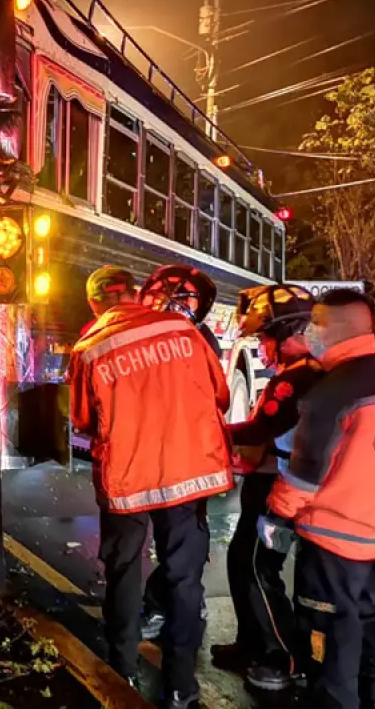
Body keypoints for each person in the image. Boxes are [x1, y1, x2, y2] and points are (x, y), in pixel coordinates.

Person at [70, 265, 233, 709]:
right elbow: (221, 395)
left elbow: (83, 422)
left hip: (127, 481)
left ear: (94, 302)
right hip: (188, 473)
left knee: (124, 573)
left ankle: (120, 669)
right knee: (184, 581)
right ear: (137, 294)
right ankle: (182, 686)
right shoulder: (183, 330)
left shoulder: (89, 348)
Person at [259, 288, 375, 709]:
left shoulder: (331, 391)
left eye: (316, 322)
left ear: (337, 328)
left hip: (333, 538)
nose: (310, 330)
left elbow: (305, 474)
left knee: (329, 635)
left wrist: (276, 517)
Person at [207, 284, 323, 691]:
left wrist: (214, 429)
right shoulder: (295, 374)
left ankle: (284, 657)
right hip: (268, 482)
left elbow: (264, 426)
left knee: (259, 567)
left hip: (281, 490)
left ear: (287, 332)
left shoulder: (301, 377)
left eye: (265, 337)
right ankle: (252, 642)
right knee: (242, 563)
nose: (261, 347)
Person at [136, 265, 222, 641]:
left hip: (182, 463)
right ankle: (179, 606)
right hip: (162, 461)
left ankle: (172, 609)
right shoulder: (147, 337)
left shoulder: (199, 343)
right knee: (174, 543)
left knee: (181, 546)